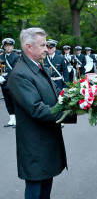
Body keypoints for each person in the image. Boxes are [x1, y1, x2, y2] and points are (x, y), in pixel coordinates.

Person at [8, 27, 77, 199]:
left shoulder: (38, 66)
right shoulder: (20, 74)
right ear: (29, 47)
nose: (47, 49)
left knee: (46, 188)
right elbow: (37, 109)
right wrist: (69, 111)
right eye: (43, 45)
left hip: (46, 140)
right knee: (35, 189)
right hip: (35, 145)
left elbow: (56, 95)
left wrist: (81, 98)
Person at [0, 38, 19, 127]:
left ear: (13, 46)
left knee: (14, 101)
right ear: (4, 47)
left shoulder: (16, 57)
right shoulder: (1, 57)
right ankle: (12, 119)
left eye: (10, 46)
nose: (8, 47)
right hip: (3, 83)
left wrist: (4, 77)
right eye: (7, 46)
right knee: (7, 101)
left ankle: (18, 120)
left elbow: (15, 70)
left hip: (13, 83)